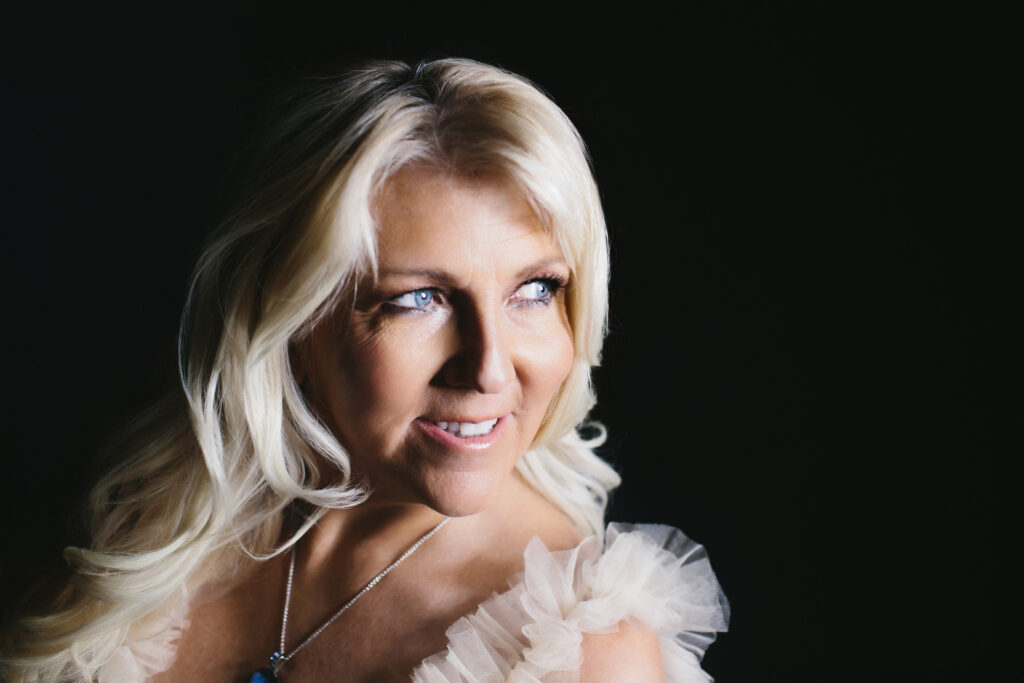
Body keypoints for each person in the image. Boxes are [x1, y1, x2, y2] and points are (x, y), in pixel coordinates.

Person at [0, 58, 728, 682]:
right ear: (293, 315)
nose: (488, 368)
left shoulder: (585, 656)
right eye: (418, 299)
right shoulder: (143, 518)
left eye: (535, 290)